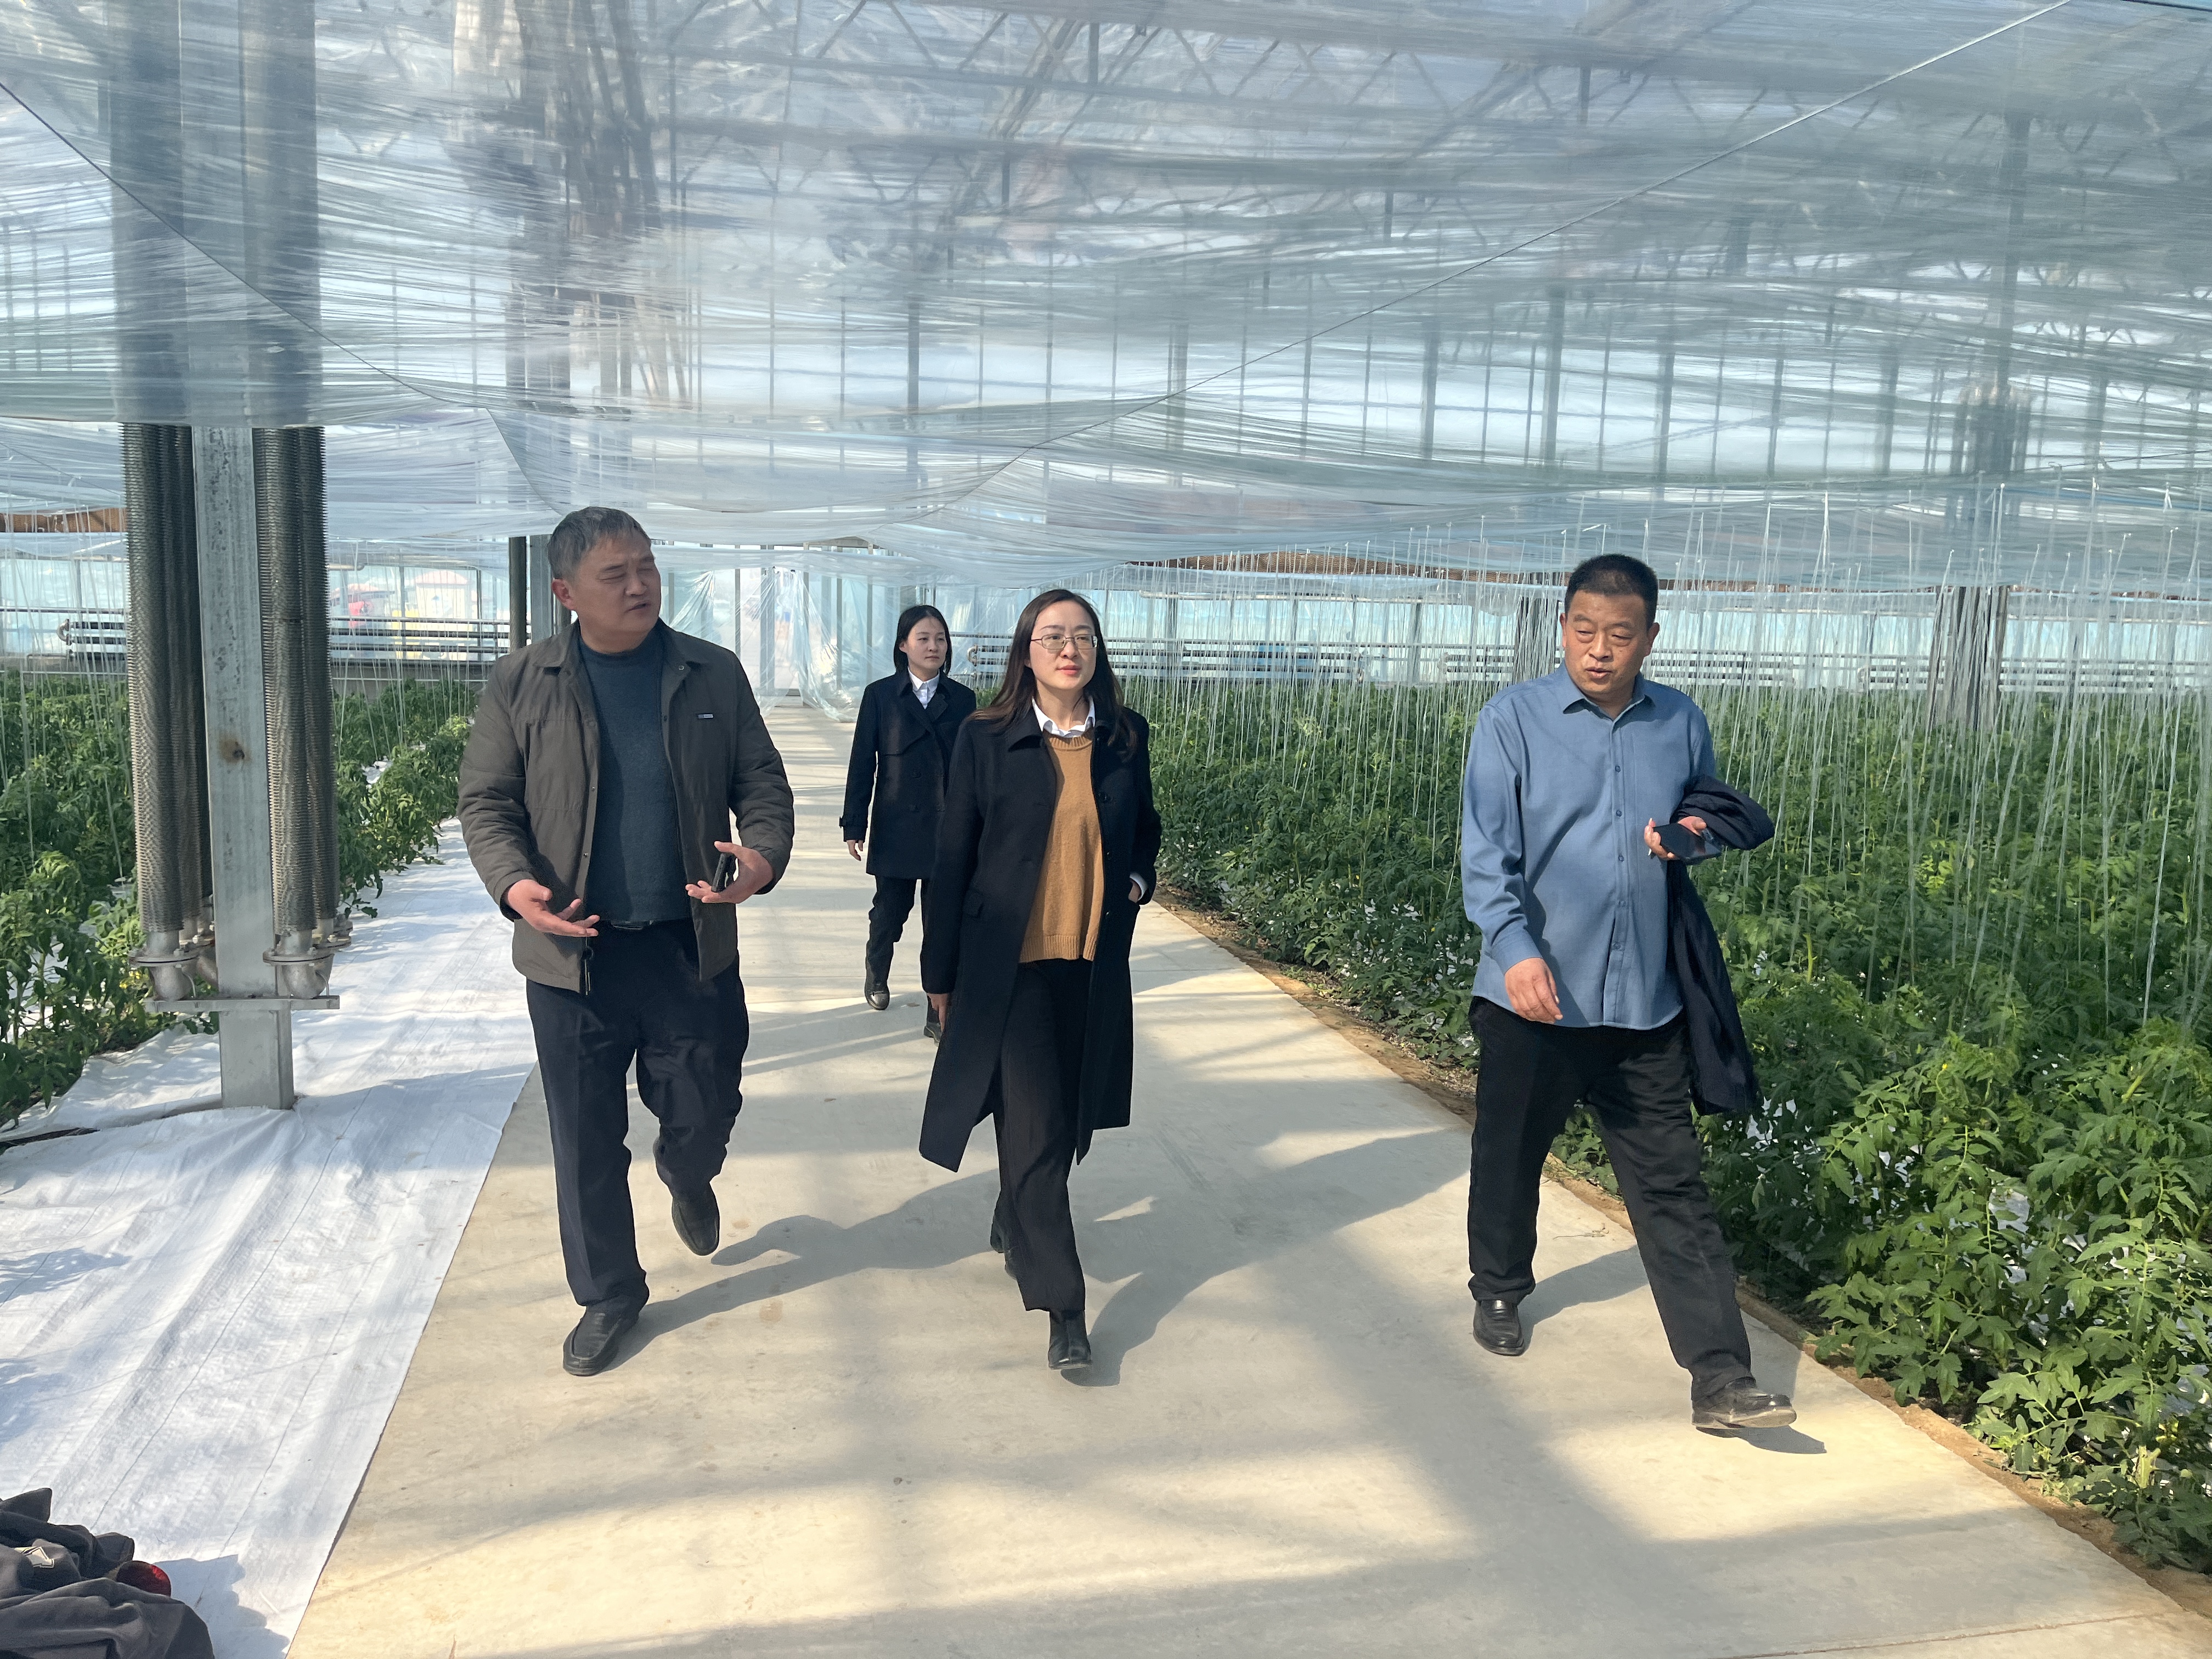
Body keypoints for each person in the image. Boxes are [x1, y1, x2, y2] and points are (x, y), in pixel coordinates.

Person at [1459, 552, 1795, 1434]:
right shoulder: (1512, 719)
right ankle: (1499, 1286)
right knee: (1509, 1156)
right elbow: (1487, 854)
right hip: (1536, 997)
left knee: (1673, 1187)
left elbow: (1702, 815)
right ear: (1562, 628)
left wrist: (1695, 834)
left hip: (1646, 1002)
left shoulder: (1679, 721)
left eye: (1619, 634)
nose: (1599, 650)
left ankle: (1721, 1378)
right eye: (1584, 631)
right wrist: (1515, 951)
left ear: (1650, 638)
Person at [459, 506, 795, 1378]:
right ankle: (610, 1293)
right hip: (574, 954)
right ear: (567, 592)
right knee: (585, 1139)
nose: (641, 584)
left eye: (647, 566)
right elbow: (487, 801)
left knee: (705, 1108)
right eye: (616, 574)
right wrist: (514, 885)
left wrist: (761, 853)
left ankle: (688, 1172)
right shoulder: (522, 682)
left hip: (689, 945)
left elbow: (761, 779)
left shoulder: (710, 673)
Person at [918, 589, 1161, 1373]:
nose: (1069, 649)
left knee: (1066, 1118)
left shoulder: (1124, 736)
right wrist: (938, 971)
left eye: (1083, 636)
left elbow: (1146, 827)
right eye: (1053, 636)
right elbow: (952, 856)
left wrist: (1137, 880)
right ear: (1026, 651)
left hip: (1089, 962)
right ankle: (1064, 1306)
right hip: (1009, 966)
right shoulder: (985, 737)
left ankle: (1012, 1209)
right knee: (1035, 1124)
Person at [840, 605, 978, 1037]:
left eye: (940, 638)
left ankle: (938, 1012)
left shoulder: (963, 700)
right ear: (903, 645)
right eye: (923, 638)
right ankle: (876, 969)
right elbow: (862, 763)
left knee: (942, 924)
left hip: (947, 827)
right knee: (890, 912)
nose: (934, 646)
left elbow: (974, 770)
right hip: (897, 824)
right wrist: (854, 824)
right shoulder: (880, 696)